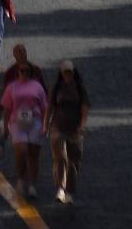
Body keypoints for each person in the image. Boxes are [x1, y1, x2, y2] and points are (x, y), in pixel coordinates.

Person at [0, 53, 48, 201]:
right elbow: (7, 107)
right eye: (22, 71)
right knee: (21, 151)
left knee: (33, 155)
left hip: (35, 121)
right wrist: (5, 126)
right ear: (17, 73)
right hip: (16, 122)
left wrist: (46, 124)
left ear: (31, 73)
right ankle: (21, 179)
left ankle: (32, 185)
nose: (24, 73)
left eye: (27, 71)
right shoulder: (11, 87)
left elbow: (44, 106)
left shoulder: (37, 86)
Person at [46, 59, 89, 204]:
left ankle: (70, 191)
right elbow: (50, 107)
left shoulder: (79, 88)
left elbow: (84, 107)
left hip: (74, 130)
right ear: (62, 73)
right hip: (57, 128)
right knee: (60, 159)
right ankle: (60, 189)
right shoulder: (57, 88)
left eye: (70, 72)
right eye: (65, 72)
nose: (68, 75)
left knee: (73, 161)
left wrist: (82, 124)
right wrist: (45, 125)